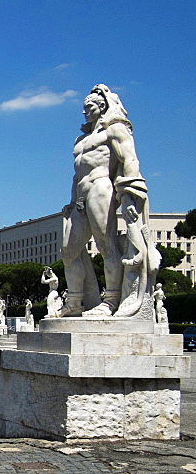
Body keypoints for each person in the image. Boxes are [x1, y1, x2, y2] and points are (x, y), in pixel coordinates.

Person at [61, 84, 151, 317]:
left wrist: (130, 197)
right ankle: (74, 302)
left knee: (105, 244)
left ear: (102, 108)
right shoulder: (80, 139)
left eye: (89, 107)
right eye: (83, 108)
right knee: (68, 250)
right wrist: (72, 201)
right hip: (80, 194)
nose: (85, 112)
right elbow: (76, 173)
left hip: (101, 188)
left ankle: (110, 300)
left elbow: (130, 161)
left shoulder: (115, 131)